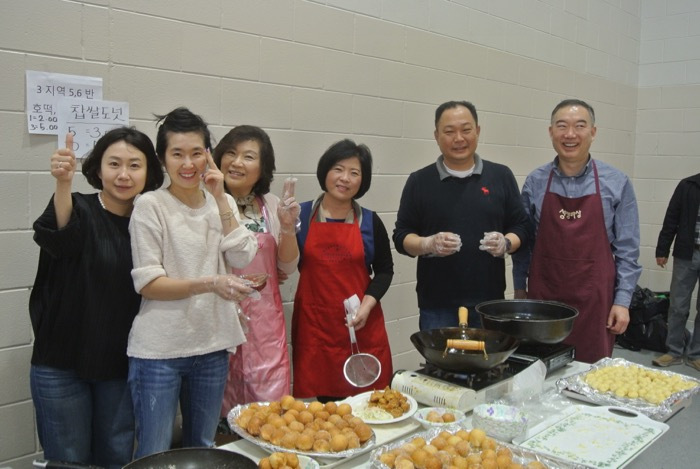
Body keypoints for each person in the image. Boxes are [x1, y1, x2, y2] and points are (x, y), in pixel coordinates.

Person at [29, 128, 164, 468]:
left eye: (135, 165)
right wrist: (63, 183)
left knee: (116, 459)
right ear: (98, 168)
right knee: (68, 461)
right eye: (114, 164)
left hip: (120, 366)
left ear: (149, 172)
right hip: (61, 362)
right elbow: (60, 238)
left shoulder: (151, 224)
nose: (123, 174)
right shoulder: (77, 206)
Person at [127, 107, 258, 458]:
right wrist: (211, 283)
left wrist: (220, 197)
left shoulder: (222, 201)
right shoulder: (150, 205)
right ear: (162, 159)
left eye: (196, 153)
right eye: (177, 154)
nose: (188, 164)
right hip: (159, 351)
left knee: (202, 449)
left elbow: (243, 256)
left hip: (212, 345)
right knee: (155, 453)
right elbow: (149, 283)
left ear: (208, 156)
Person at [513, 99, 642, 364]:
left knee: (592, 374)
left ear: (593, 132)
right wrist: (519, 289)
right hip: (544, 296)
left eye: (579, 126)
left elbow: (628, 250)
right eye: (562, 126)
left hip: (595, 300)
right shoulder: (535, 181)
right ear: (551, 132)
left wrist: (622, 302)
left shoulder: (617, 182)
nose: (570, 134)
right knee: (539, 368)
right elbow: (524, 242)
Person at [393, 100, 528, 330]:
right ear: (436, 136)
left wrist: (505, 243)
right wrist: (427, 244)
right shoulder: (419, 181)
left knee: (489, 355)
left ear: (477, 131)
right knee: (441, 355)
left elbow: (522, 227)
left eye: (466, 130)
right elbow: (401, 237)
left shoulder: (501, 176)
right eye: (449, 132)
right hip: (437, 305)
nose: (458, 138)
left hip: (489, 303)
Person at [292, 139, 393, 400]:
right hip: (315, 326)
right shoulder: (300, 217)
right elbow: (284, 263)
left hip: (361, 323)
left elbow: (385, 271)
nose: (345, 178)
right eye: (338, 169)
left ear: (362, 181)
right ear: (325, 171)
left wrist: (367, 306)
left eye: (354, 172)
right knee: (321, 408)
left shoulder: (370, 221)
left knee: (369, 402)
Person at [213, 125, 300, 414]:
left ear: (263, 168)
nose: (236, 162)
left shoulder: (271, 205)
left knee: (268, 408)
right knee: (218, 397)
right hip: (217, 314)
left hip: (264, 323)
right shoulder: (206, 202)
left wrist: (287, 227)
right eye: (230, 153)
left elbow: (286, 266)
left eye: (248, 157)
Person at [652, 173, 700, 370]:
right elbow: (672, 217)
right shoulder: (688, 185)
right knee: (678, 306)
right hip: (686, 254)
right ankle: (674, 352)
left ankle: (696, 354)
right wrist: (662, 249)